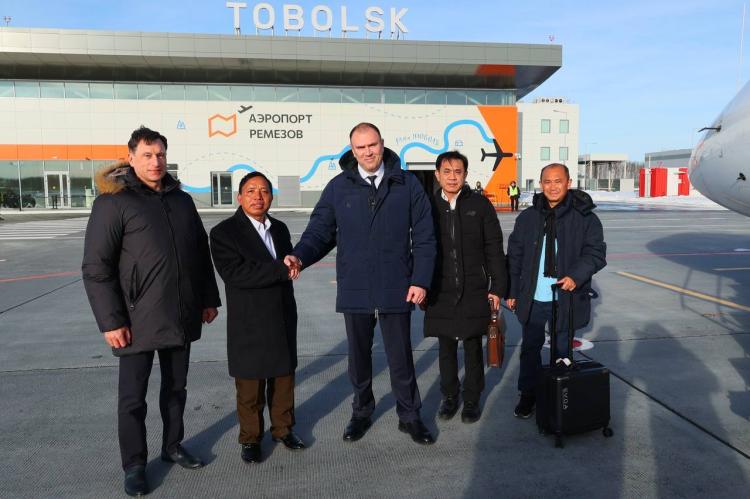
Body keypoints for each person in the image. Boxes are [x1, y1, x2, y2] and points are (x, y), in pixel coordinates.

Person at [82, 126, 221, 497]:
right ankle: (134, 465)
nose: (155, 161)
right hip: (134, 318)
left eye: (160, 154)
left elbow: (199, 252)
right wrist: (111, 321)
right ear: (131, 158)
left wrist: (208, 298)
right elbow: (96, 267)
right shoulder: (113, 203)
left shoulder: (182, 201)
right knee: (133, 398)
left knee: (176, 388)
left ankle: (173, 445)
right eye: (147, 155)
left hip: (180, 312)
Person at [284, 123, 437, 445]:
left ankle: (410, 416)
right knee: (359, 358)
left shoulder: (407, 184)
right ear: (352, 151)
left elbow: (425, 237)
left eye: (372, 145)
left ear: (382, 144)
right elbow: (320, 231)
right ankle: (362, 412)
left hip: (397, 284)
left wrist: (420, 280)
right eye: (360, 147)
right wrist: (299, 256)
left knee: (401, 357)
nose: (368, 152)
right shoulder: (339, 187)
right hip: (355, 284)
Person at [209, 172, 305, 465]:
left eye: (264, 191)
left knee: (283, 378)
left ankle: (283, 429)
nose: (258, 196)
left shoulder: (280, 229)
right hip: (248, 319)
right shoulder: (224, 233)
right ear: (239, 197)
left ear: (271, 197)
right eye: (251, 191)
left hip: (281, 313)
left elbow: (288, 265)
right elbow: (236, 274)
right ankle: (250, 438)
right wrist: (280, 268)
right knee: (250, 385)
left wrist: (291, 265)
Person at [506, 163, 606, 419]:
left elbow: (595, 253)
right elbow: (514, 256)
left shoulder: (585, 217)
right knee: (530, 349)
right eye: (547, 181)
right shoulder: (528, 218)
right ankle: (528, 394)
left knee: (562, 351)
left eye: (558, 181)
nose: (552, 186)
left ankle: (560, 396)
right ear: (541, 184)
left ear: (568, 183)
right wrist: (512, 291)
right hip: (534, 296)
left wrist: (576, 276)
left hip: (565, 297)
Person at [423, 151, 507, 423]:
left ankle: (472, 398)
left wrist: (498, 286)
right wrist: (420, 284)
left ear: (465, 175)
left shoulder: (480, 206)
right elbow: (418, 248)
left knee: (472, 345)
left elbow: (494, 247)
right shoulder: (427, 206)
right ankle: (449, 396)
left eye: (458, 172)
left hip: (474, 287)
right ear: (437, 175)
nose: (452, 177)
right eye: (446, 172)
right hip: (440, 288)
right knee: (445, 346)